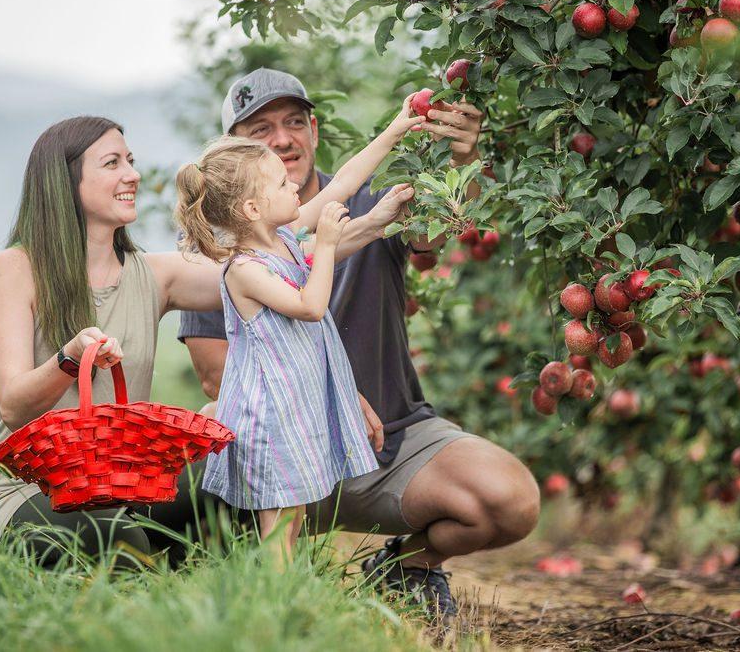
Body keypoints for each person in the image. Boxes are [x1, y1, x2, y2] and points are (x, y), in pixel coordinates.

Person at [0, 115, 418, 566]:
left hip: (122, 486)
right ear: (64, 181)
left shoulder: (155, 275)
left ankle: (251, 589)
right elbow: (14, 406)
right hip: (25, 492)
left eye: (131, 160)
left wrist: (378, 216)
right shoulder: (14, 269)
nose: (133, 174)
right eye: (112, 163)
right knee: (115, 543)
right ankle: (146, 565)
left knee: (240, 475)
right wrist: (69, 356)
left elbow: (280, 257)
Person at [177, 69, 541, 615]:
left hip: (384, 446)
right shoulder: (236, 260)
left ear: (315, 129)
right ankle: (267, 596)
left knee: (508, 497)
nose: (282, 143)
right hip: (288, 432)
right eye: (260, 133)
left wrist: (408, 139)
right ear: (245, 190)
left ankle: (399, 569)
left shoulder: (288, 231)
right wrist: (340, 393)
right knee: (240, 468)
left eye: (294, 123)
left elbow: (365, 196)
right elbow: (302, 309)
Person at [173, 97, 422, 563]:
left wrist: (395, 131)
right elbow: (310, 307)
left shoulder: (283, 238)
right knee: (281, 524)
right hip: (271, 420)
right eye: (281, 183)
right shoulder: (244, 268)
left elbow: (345, 183)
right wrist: (325, 243)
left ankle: (285, 596)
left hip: (295, 410)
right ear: (251, 207)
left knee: (292, 516)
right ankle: (278, 604)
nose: (295, 186)